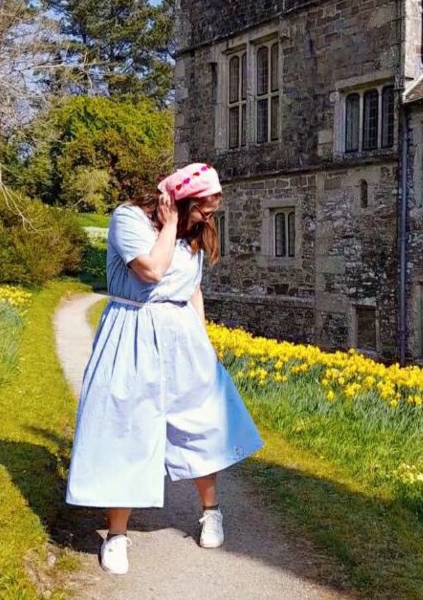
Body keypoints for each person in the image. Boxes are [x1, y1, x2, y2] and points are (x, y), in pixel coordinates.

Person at [65, 162, 263, 576]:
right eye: (204, 210)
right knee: (126, 427)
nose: (209, 218)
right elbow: (151, 270)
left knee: (200, 423)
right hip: (132, 331)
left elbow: (192, 289)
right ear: (178, 201)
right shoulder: (128, 219)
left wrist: (205, 343)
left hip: (182, 336)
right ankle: (117, 535)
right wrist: (171, 223)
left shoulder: (194, 234)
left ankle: (211, 512)